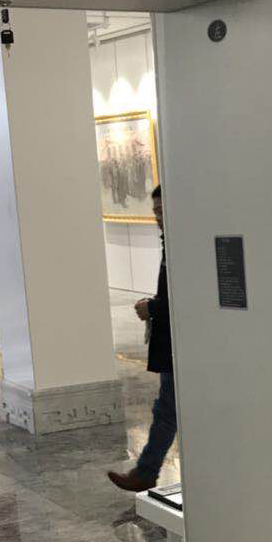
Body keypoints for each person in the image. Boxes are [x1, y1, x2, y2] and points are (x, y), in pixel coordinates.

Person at [108, 186, 176, 492]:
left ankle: (147, 471)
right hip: (173, 342)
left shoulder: (183, 244)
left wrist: (153, 307)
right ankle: (146, 471)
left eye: (162, 211)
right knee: (166, 409)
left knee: (167, 410)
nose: (158, 218)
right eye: (155, 212)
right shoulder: (171, 242)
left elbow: (191, 294)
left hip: (181, 345)